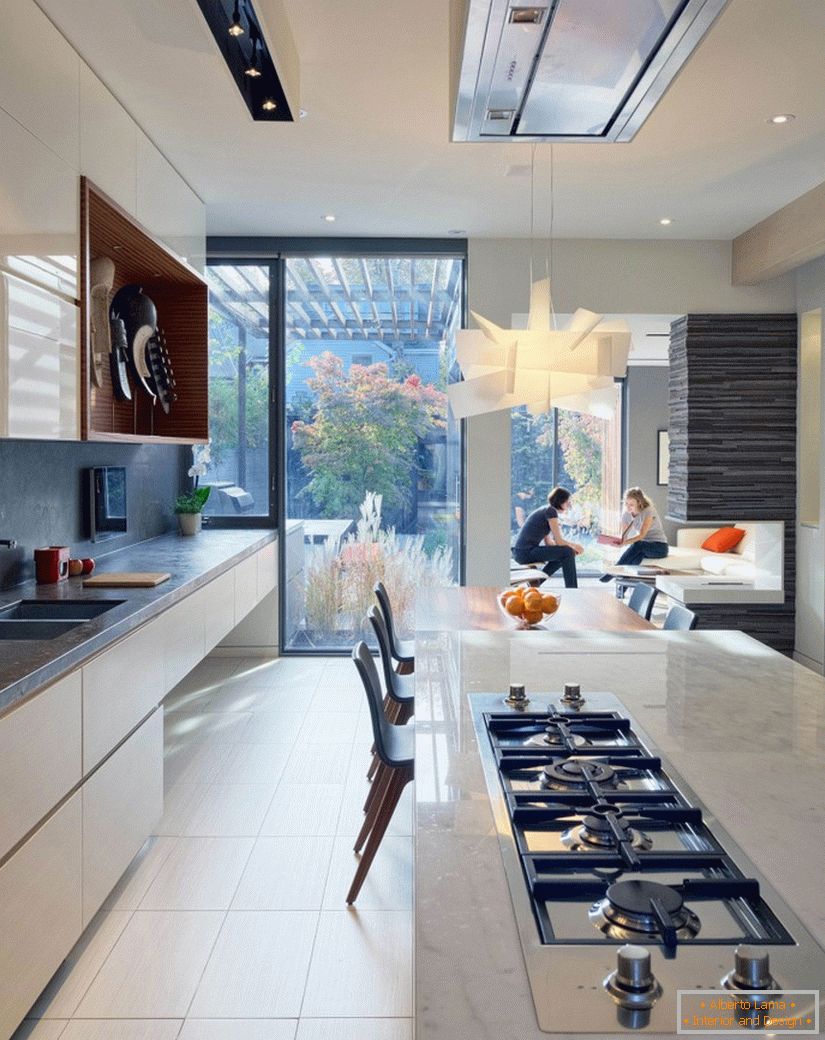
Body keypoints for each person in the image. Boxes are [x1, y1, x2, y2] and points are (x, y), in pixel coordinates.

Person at [512, 487, 583, 588]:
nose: (569, 505)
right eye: (568, 502)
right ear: (560, 501)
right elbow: (559, 541)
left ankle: (536, 582)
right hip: (525, 552)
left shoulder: (546, 510)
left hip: (522, 552)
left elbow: (549, 543)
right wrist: (575, 546)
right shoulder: (551, 511)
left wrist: (570, 550)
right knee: (567, 552)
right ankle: (572, 589)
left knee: (565, 554)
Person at [599, 487, 668, 580]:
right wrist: (618, 542)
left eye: (631, 505)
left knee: (638, 544)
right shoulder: (626, 514)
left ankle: (614, 570)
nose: (628, 507)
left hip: (659, 547)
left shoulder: (649, 511)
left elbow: (642, 535)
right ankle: (624, 586)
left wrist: (625, 543)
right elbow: (624, 536)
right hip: (644, 547)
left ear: (639, 503)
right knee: (636, 558)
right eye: (626, 504)